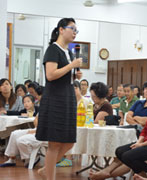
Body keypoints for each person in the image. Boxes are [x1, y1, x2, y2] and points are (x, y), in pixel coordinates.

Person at [89, 83, 147, 180]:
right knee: (119, 151)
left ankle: (146, 174)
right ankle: (146, 173)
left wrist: (142, 144)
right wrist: (139, 142)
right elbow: (146, 128)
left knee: (128, 156)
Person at [35, 17, 82, 180]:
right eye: (72, 28)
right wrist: (71, 66)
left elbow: (64, 73)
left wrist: (74, 73)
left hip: (67, 97)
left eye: (77, 30)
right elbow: (50, 75)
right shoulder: (53, 49)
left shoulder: (68, 52)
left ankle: (46, 169)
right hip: (55, 98)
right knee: (54, 143)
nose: (75, 32)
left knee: (69, 141)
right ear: (61, 30)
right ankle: (50, 176)